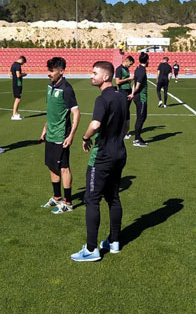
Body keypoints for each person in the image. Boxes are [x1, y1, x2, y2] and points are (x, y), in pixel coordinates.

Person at [71, 61, 128, 262]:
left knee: (92, 199)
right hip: (120, 152)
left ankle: (91, 249)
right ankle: (114, 242)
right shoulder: (122, 97)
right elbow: (126, 125)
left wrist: (85, 138)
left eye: (94, 73)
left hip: (103, 156)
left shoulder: (102, 99)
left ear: (106, 77)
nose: (91, 76)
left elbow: (95, 124)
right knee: (113, 197)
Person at [39, 57, 81, 214]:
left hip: (61, 136)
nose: (48, 74)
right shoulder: (50, 86)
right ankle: (57, 197)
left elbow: (76, 113)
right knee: (51, 166)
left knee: (64, 168)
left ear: (61, 71)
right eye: (48, 70)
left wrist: (71, 136)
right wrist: (45, 128)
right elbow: (52, 111)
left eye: (52, 71)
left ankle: (68, 203)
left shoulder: (67, 89)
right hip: (50, 134)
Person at [128, 52, 149, 147]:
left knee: (142, 117)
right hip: (141, 97)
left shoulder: (138, 69)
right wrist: (133, 94)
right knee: (141, 118)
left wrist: (132, 93)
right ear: (147, 60)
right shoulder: (141, 71)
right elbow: (137, 85)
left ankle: (138, 137)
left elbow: (134, 84)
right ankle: (137, 140)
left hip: (138, 96)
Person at [115, 56, 135, 139]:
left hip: (128, 90)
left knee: (127, 110)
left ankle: (125, 131)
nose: (129, 66)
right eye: (129, 64)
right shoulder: (119, 69)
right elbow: (117, 81)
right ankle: (121, 132)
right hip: (123, 91)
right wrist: (128, 79)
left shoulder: (126, 69)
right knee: (124, 111)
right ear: (126, 61)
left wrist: (129, 80)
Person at [10, 56, 27, 120]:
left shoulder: (13, 64)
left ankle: (16, 113)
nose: (23, 64)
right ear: (21, 60)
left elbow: (10, 74)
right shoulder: (18, 65)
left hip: (14, 83)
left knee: (17, 98)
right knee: (18, 99)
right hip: (18, 84)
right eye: (23, 63)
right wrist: (24, 74)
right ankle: (14, 114)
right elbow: (18, 75)